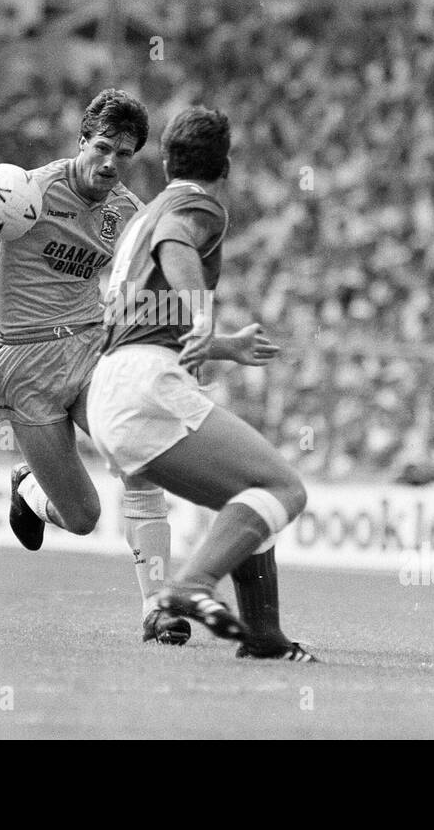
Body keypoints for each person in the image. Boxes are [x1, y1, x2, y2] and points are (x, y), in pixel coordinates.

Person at [0, 89, 189, 644]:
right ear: (81, 142)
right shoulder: (25, 192)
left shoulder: (126, 212)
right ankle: (29, 492)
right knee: (82, 516)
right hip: (25, 361)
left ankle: (158, 609)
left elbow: (147, 285)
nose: (111, 164)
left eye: (125, 155)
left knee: (140, 460)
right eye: (102, 148)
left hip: (91, 351)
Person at [88, 106, 316, 661]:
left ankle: (263, 635)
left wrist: (224, 346)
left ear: (165, 161)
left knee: (252, 495)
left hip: (113, 387)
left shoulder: (148, 212)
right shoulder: (195, 204)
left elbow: (143, 316)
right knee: (286, 490)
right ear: (227, 167)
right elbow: (177, 239)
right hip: (146, 383)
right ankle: (191, 586)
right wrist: (201, 311)